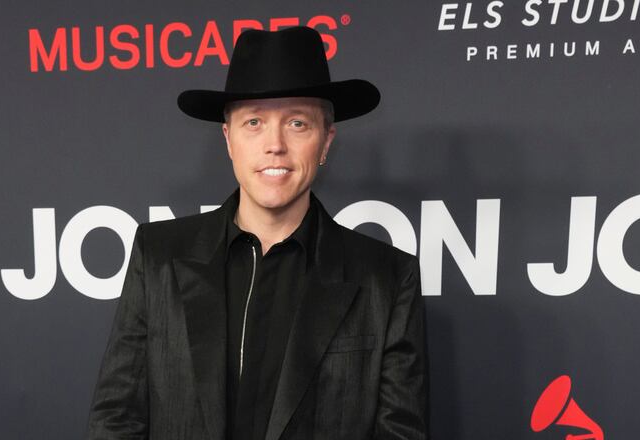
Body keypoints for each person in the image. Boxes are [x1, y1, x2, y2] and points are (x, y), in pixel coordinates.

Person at [87, 26, 428, 440]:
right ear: (229, 139)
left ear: (325, 142)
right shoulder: (158, 255)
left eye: (298, 123)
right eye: (254, 122)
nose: (275, 145)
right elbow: (116, 420)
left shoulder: (387, 279)